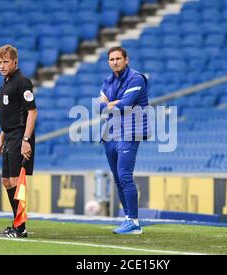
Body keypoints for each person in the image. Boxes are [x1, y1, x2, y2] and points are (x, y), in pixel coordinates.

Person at [97, 46, 149, 234]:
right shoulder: (108, 81)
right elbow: (97, 107)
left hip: (130, 132)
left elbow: (126, 105)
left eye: (118, 58)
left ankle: (134, 222)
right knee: (118, 178)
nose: (115, 62)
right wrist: (111, 105)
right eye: (112, 59)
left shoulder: (136, 78)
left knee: (125, 176)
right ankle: (128, 218)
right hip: (111, 133)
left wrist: (109, 104)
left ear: (126, 60)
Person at [0, 45, 37, 238]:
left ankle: (21, 228)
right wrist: (0, 138)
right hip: (9, 136)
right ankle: (17, 223)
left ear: (15, 62)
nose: (2, 66)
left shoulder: (22, 82)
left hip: (20, 136)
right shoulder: (6, 83)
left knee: (15, 181)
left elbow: (32, 112)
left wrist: (26, 140)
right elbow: (8, 115)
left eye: (6, 62)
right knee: (6, 181)